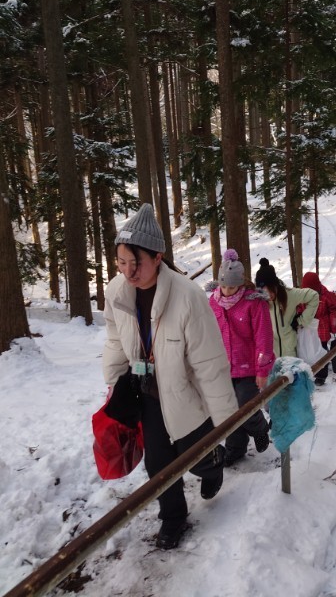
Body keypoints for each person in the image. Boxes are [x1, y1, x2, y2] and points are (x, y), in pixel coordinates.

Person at [103, 204, 238, 551]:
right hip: (148, 394)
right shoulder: (117, 292)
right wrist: (114, 382)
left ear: (158, 257)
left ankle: (213, 466)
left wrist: (226, 422)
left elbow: (209, 363)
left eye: (136, 263)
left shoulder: (188, 296)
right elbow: (116, 338)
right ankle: (173, 516)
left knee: (197, 458)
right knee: (158, 464)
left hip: (185, 395)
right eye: (121, 263)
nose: (128, 272)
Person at [207, 249, 274, 467]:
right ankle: (235, 448)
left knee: (245, 404)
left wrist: (262, 370)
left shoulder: (254, 303)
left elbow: (264, 339)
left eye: (232, 287)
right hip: (223, 366)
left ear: (241, 284)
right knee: (228, 410)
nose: (227, 292)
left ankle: (260, 428)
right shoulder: (213, 303)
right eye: (224, 286)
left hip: (248, 366)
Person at [255, 257, 319, 357]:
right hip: (271, 356)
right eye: (264, 292)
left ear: (275, 285)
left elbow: (314, 296)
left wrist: (301, 321)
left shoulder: (290, 295)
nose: (268, 296)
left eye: (270, 290)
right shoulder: (260, 302)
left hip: (290, 354)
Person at [300, 272, 336, 386]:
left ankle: (321, 376)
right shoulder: (302, 295)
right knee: (307, 349)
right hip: (307, 327)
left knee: (321, 351)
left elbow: (335, 310)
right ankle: (308, 372)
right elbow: (298, 307)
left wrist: (334, 326)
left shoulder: (326, 295)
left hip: (321, 328)